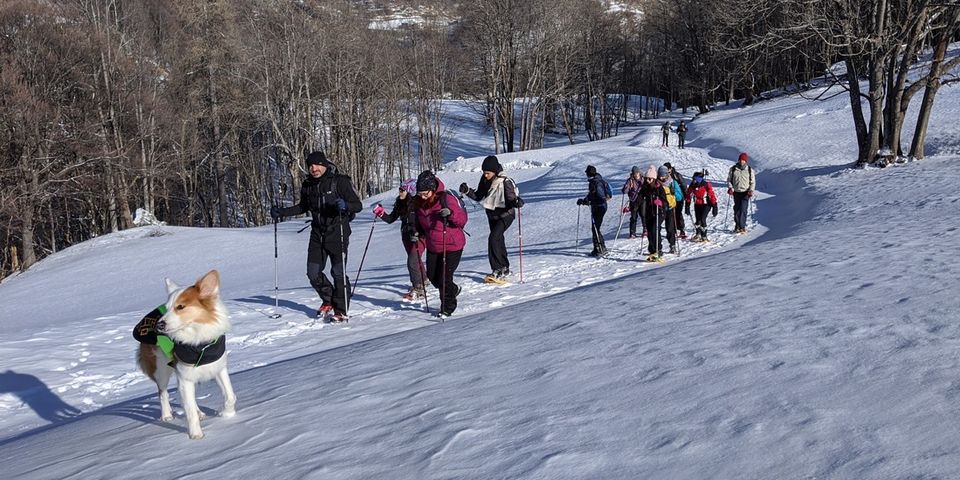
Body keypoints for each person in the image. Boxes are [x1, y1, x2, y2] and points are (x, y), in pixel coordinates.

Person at [271, 151, 363, 322]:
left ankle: (341, 310)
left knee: (338, 273)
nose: (313, 169)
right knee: (313, 272)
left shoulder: (339, 181)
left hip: (337, 232)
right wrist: (282, 212)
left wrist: (346, 205)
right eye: (310, 166)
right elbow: (303, 207)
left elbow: (358, 205)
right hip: (317, 234)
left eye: (317, 165)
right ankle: (328, 299)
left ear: (324, 165)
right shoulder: (308, 185)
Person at [459, 155, 524, 283]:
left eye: (488, 173)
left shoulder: (505, 181)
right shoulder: (484, 180)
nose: (485, 175)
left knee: (493, 238)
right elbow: (478, 196)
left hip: (506, 215)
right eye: (484, 172)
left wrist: (516, 202)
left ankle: (497, 270)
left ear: (494, 171)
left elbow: (511, 199)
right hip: (492, 215)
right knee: (498, 240)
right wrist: (467, 191)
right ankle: (504, 268)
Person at [414, 170, 468, 318]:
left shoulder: (446, 198)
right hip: (433, 245)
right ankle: (452, 289)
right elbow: (420, 224)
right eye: (420, 193)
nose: (422, 196)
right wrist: (416, 233)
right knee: (433, 276)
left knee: (444, 278)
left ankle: (447, 307)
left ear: (432, 189)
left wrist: (450, 214)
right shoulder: (419, 203)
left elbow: (462, 220)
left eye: (425, 193)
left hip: (451, 244)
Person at [373, 178, 426, 301]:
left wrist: (418, 231)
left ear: (410, 191)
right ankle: (423, 279)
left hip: (418, 236)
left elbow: (425, 220)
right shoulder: (400, 203)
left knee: (412, 261)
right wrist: (380, 213)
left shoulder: (418, 203)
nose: (400, 192)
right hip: (406, 235)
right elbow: (391, 219)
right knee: (416, 259)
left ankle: (418, 289)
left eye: (402, 190)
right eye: (399, 189)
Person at [576, 165, 610, 257]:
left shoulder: (596, 182)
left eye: (587, 173)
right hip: (598, 207)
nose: (586, 174)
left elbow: (601, 197)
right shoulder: (596, 181)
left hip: (599, 207)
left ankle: (600, 249)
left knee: (595, 228)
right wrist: (584, 201)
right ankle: (598, 248)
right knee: (595, 228)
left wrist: (590, 202)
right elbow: (591, 195)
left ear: (589, 173)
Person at [638, 165, 668, 261]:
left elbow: (665, 201)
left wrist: (660, 202)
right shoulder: (644, 188)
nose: (648, 181)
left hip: (659, 212)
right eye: (646, 178)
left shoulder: (659, 188)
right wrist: (630, 207)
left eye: (650, 179)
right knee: (650, 232)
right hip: (649, 213)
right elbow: (639, 199)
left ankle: (658, 250)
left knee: (655, 230)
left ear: (654, 179)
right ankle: (652, 251)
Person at [727, 152, 756, 234]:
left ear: (746, 161)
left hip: (746, 193)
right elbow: (729, 180)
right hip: (736, 192)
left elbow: (753, 182)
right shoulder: (733, 169)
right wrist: (730, 188)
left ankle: (742, 227)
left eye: (743, 160)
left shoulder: (750, 170)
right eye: (740, 160)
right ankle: (737, 226)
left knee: (743, 209)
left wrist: (751, 190)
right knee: (737, 209)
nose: (741, 161)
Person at [685, 171, 718, 242]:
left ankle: (704, 235)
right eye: (693, 179)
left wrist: (714, 206)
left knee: (703, 219)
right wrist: (687, 205)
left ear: (699, 179)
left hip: (706, 204)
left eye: (695, 179)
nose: (693, 180)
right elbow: (688, 195)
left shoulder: (706, 185)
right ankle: (698, 234)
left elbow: (712, 195)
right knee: (698, 220)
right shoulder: (692, 185)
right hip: (697, 204)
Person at [664, 162, 688, 239]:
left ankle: (681, 230)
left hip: (678, 197)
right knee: (671, 214)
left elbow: (683, 185)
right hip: (669, 198)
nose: (666, 171)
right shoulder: (663, 176)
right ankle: (673, 231)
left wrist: (686, 194)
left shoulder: (676, 175)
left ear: (670, 169)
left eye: (667, 169)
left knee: (678, 213)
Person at [621, 166, 644, 239]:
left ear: (639, 172)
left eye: (637, 173)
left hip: (642, 200)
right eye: (634, 173)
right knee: (633, 217)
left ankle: (645, 230)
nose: (636, 174)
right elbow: (625, 191)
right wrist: (625, 188)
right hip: (633, 201)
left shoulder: (643, 179)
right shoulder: (630, 180)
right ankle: (632, 232)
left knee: (643, 215)